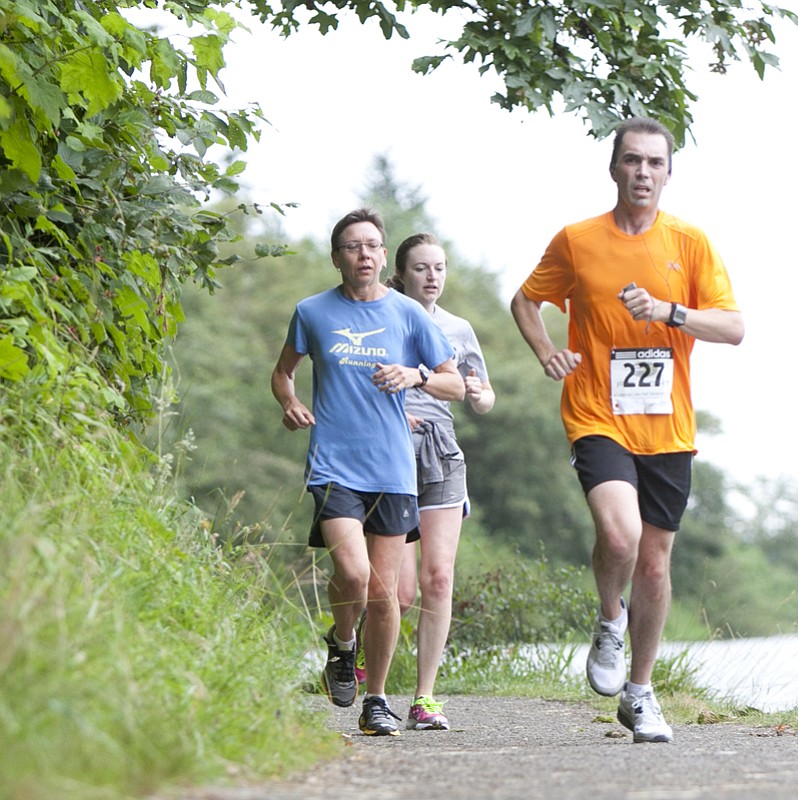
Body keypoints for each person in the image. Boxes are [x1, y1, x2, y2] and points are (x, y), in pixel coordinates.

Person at [510, 117, 744, 743]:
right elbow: (526, 300)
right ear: (613, 168)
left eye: (655, 163)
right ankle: (609, 619)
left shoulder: (689, 243)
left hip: (667, 424)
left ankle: (640, 693)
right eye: (632, 161)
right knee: (620, 536)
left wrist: (670, 311)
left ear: (669, 173)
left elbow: (733, 327)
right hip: (596, 411)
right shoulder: (578, 240)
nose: (643, 172)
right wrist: (544, 352)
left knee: (656, 564)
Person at [271, 208, 464, 736]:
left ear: (384, 256)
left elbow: (455, 384)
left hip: (394, 470)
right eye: (353, 246)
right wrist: (289, 403)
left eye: (373, 246)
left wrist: (416, 375)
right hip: (334, 463)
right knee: (353, 575)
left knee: (384, 594)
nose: (364, 254)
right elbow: (284, 372)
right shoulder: (312, 311)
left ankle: (376, 699)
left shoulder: (408, 314)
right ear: (337, 258)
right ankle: (342, 640)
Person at [385, 232, 496, 730]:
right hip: (388, 453)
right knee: (400, 590)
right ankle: (367, 662)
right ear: (403, 273)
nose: (433, 277)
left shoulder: (459, 328)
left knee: (439, 577)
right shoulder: (380, 314)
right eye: (422, 268)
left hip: (442, 452)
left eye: (440, 268)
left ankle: (424, 698)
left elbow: (485, 397)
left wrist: (476, 392)